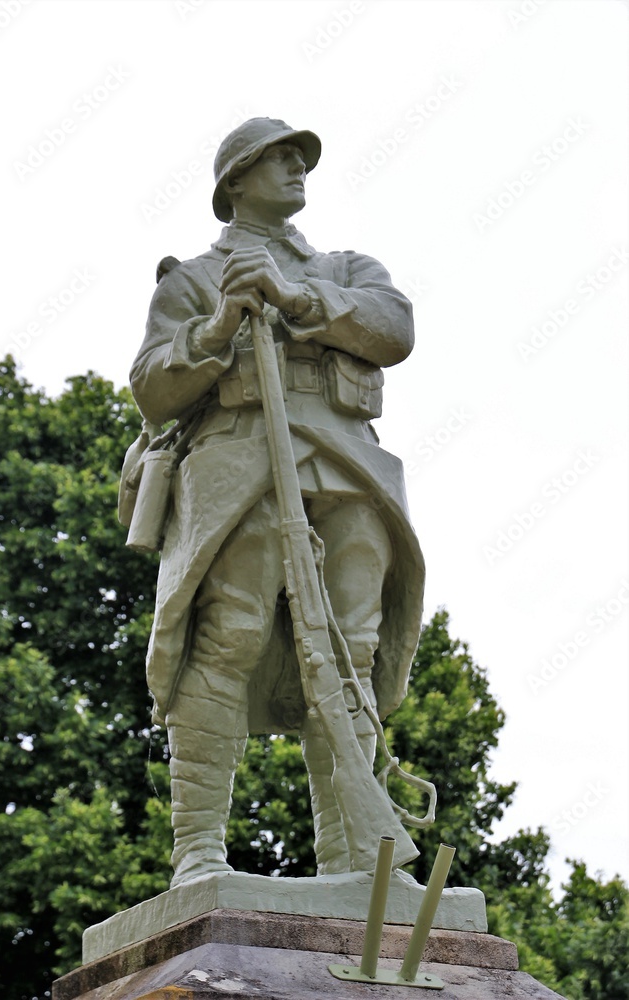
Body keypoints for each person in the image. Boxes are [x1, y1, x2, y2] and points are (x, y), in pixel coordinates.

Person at [128, 117, 425, 886]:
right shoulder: (192, 278)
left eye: (301, 159)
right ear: (235, 183)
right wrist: (218, 325)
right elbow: (153, 390)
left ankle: (359, 862)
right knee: (228, 641)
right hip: (241, 468)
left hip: (346, 467)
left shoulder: (345, 266)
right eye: (279, 159)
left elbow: (394, 329)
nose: (298, 169)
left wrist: (294, 298)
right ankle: (198, 853)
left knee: (349, 656)